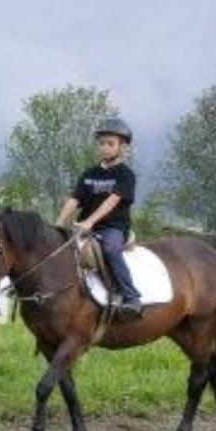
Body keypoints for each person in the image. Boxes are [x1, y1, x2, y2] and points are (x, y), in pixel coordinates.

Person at [58, 115, 142, 319]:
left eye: (110, 143)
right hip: (85, 227)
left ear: (122, 147)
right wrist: (59, 222)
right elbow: (74, 200)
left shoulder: (125, 174)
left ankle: (131, 297)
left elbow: (111, 201)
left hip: (112, 228)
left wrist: (90, 221)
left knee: (111, 250)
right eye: (102, 143)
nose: (104, 147)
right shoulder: (89, 173)